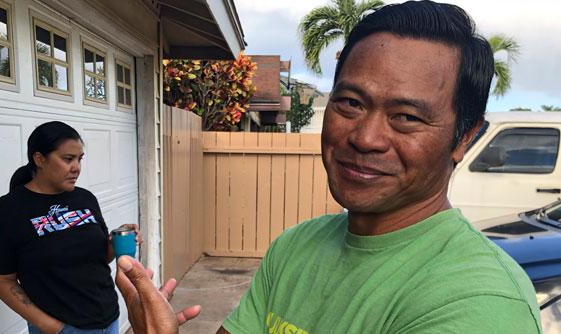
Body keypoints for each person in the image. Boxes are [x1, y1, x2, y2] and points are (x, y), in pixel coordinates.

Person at [115, 1, 541, 333]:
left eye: (406, 117)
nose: (365, 137)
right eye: (351, 103)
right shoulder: (296, 248)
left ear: (464, 138)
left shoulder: (477, 302)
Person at [0, 121, 141, 334]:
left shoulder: (85, 198)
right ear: (39, 159)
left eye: (79, 159)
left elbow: (98, 258)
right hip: (62, 327)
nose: (76, 167)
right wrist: (49, 326)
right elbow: (3, 281)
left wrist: (116, 242)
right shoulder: (6, 211)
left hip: (109, 319)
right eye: (68, 159)